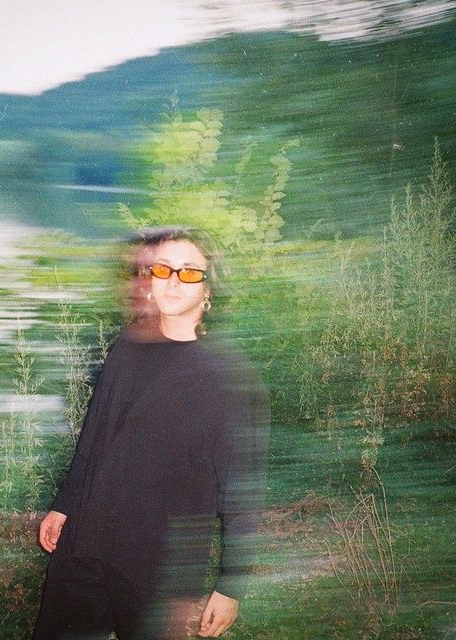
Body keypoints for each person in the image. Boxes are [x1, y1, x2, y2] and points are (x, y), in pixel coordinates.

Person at [33, 227, 268, 639]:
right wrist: (64, 505)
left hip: (159, 570)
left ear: (209, 289)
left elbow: (242, 490)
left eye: (189, 271)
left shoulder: (228, 376)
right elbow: (94, 436)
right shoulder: (128, 347)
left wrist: (232, 584)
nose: (173, 281)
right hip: (86, 544)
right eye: (163, 269)